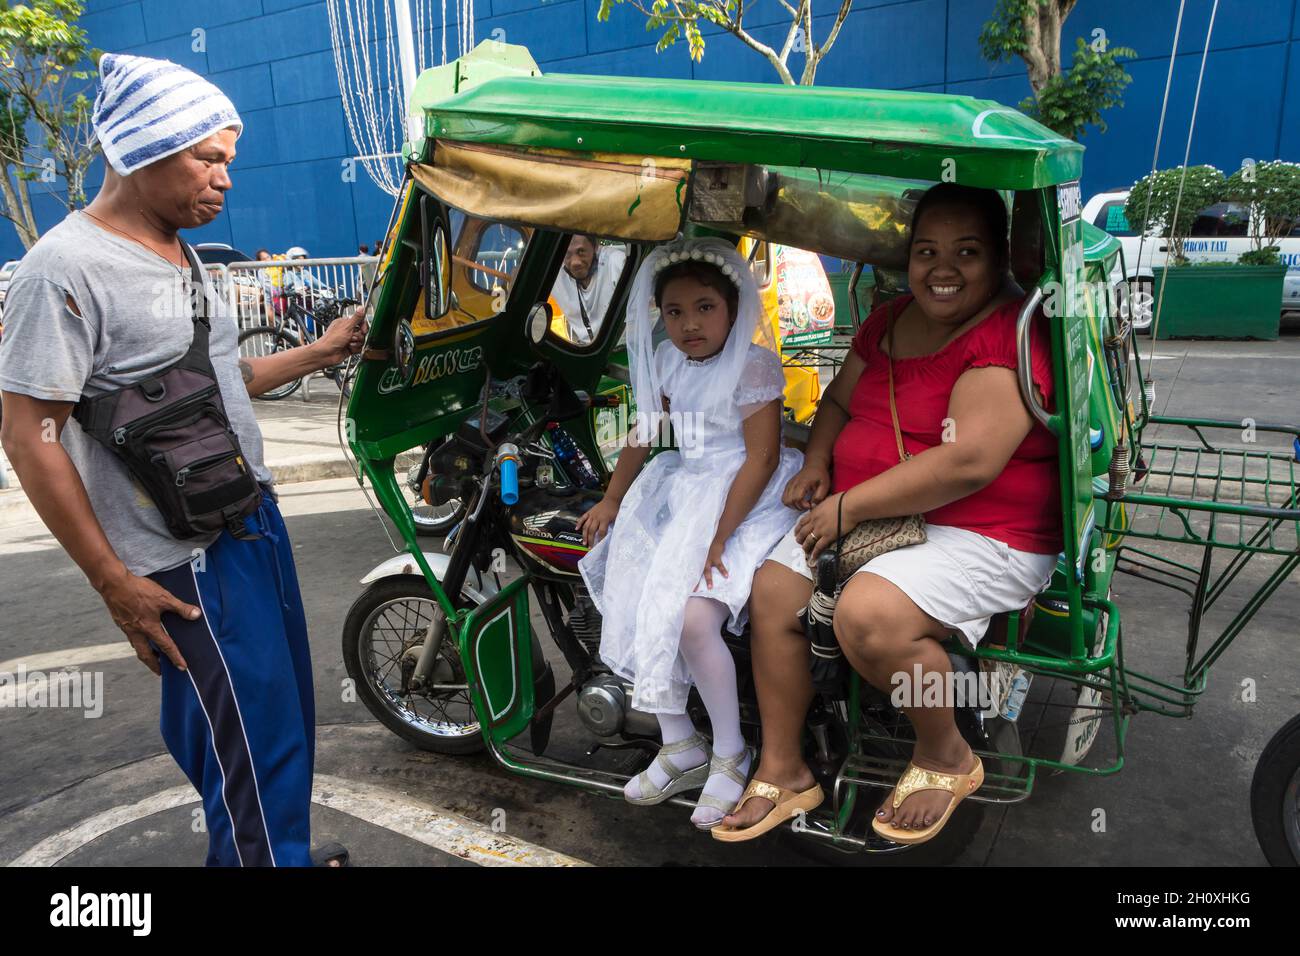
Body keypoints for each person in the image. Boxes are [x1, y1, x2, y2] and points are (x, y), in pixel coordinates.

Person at [0, 53, 367, 867]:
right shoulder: (61, 269)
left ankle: (277, 856)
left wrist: (319, 353)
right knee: (250, 752)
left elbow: (211, 387)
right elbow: (30, 435)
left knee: (275, 730)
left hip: (252, 525)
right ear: (137, 151)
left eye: (228, 160)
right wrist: (113, 583)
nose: (224, 179)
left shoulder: (184, 254)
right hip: (182, 561)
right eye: (207, 158)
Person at [714, 183, 1061, 845]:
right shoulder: (890, 319)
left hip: (982, 531)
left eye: (967, 251)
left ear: (999, 259)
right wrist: (818, 460)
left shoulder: (1009, 330)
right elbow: (839, 402)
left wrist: (846, 505)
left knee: (868, 615)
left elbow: (968, 463)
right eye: (927, 251)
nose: (943, 268)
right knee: (773, 592)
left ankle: (946, 755)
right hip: (870, 515)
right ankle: (786, 768)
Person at [576, 236, 802, 829]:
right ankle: (680, 742)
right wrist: (613, 497)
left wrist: (721, 536)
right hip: (687, 487)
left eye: (705, 307)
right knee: (639, 591)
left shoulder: (752, 364)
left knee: (694, 617)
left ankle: (731, 751)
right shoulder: (671, 363)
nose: (689, 324)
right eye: (674, 312)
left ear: (732, 308)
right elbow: (644, 432)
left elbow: (759, 458)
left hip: (744, 499)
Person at [548, 234, 627, 345]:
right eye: (567, 254)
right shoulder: (553, 272)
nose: (575, 262)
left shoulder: (614, 262)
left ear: (595, 247)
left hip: (621, 346)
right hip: (585, 349)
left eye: (581, 252)